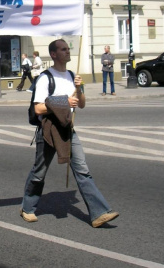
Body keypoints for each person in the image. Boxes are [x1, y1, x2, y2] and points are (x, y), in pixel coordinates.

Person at [20, 39, 119, 228]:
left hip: (68, 129)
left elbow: (81, 104)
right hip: (49, 130)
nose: (67, 52)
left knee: (82, 170)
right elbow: (39, 108)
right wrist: (64, 102)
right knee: (39, 172)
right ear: (54, 54)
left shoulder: (72, 75)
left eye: (68, 49)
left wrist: (79, 89)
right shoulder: (45, 78)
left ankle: (99, 213)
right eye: (63, 49)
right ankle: (28, 208)